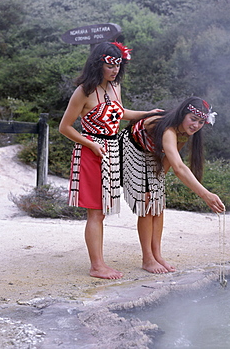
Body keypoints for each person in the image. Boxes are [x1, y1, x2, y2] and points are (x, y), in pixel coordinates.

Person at [59, 41, 159, 280]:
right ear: (98, 64)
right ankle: (97, 266)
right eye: (110, 65)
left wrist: (148, 113)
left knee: (102, 212)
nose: (114, 70)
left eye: (118, 65)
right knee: (95, 213)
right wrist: (91, 144)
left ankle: (100, 263)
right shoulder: (83, 91)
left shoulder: (115, 87)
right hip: (91, 152)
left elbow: (121, 114)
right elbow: (65, 127)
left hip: (112, 149)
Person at [119, 96, 225, 274]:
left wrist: (156, 183)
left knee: (158, 202)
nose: (196, 125)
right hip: (131, 148)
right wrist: (206, 194)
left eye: (200, 122)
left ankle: (157, 255)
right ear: (182, 114)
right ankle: (147, 258)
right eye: (193, 119)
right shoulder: (168, 129)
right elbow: (179, 168)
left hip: (151, 154)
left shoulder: (183, 133)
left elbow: (168, 161)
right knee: (146, 201)